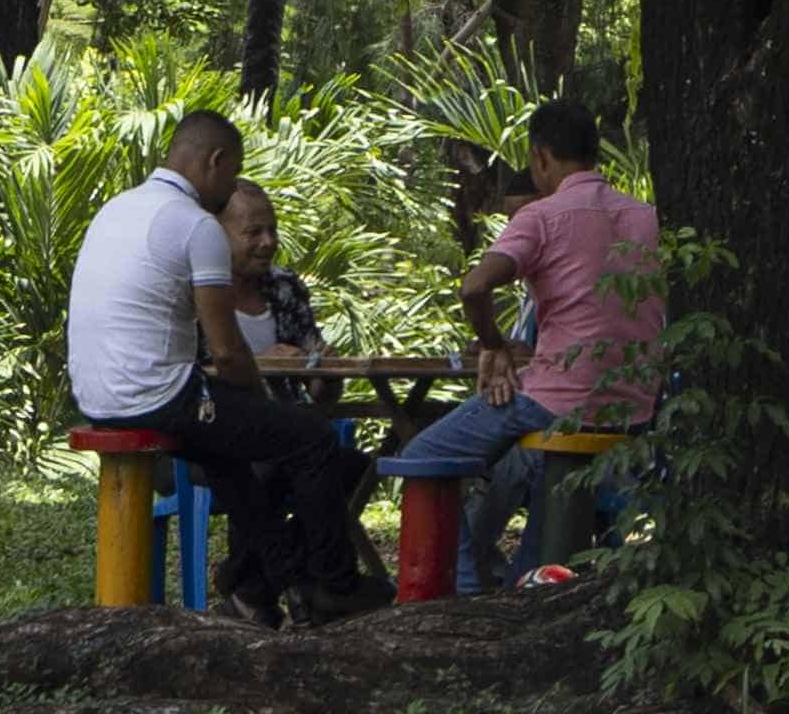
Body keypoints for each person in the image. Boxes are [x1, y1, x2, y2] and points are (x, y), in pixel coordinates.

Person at [63, 113, 379, 627]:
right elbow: (227, 350)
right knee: (312, 440)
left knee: (234, 465)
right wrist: (262, 402)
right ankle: (335, 586)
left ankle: (277, 583)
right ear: (216, 161)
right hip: (159, 396)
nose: (230, 186)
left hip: (99, 396)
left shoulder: (118, 209)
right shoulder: (195, 224)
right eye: (233, 175)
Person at [379, 98, 663, 592]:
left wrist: (494, 345)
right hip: (635, 404)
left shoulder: (545, 215)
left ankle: (463, 594)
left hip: (558, 398)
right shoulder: (647, 217)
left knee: (421, 454)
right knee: (539, 472)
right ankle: (520, 592)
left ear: (540, 158)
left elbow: (473, 287)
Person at [218, 181, 320, 359]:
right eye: (254, 232)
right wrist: (262, 367)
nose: (269, 242)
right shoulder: (187, 294)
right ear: (216, 233)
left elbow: (316, 381)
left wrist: (324, 371)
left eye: (272, 230)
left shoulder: (286, 287)